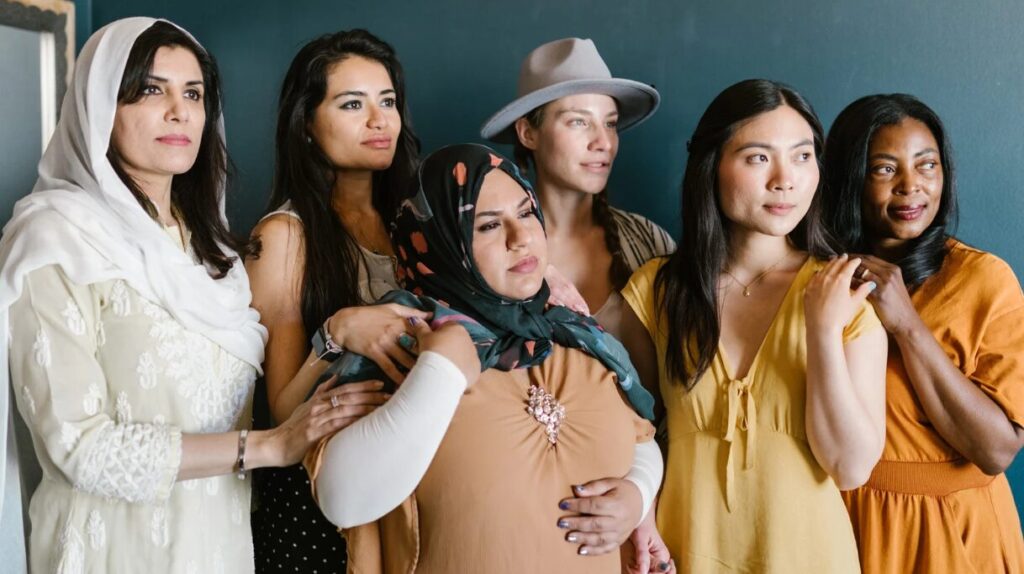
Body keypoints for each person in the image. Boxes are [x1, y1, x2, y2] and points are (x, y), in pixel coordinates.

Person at [0, 18, 364, 572]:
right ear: (102, 106)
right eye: (151, 90)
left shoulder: (213, 253)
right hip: (110, 553)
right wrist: (266, 448)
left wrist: (341, 337)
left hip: (220, 547)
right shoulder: (55, 239)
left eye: (193, 93)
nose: (179, 111)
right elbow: (78, 446)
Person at [305, 143, 664, 573]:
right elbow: (343, 500)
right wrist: (442, 369)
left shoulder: (577, 334)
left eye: (526, 212)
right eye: (489, 226)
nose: (521, 238)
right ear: (442, 245)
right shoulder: (395, 344)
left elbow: (640, 439)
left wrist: (638, 495)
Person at [619, 79, 888, 572]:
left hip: (810, 557)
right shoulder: (658, 290)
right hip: (683, 552)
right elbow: (620, 427)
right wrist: (638, 514)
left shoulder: (843, 295)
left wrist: (823, 332)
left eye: (803, 156)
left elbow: (850, 468)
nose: (785, 179)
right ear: (712, 166)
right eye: (758, 158)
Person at [245, 29, 423, 573]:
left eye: (387, 102)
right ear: (306, 123)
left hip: (406, 491)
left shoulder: (413, 227)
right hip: (315, 510)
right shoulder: (284, 237)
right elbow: (280, 409)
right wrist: (336, 333)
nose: (379, 120)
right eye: (353, 104)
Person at [823, 93, 1024, 573]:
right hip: (841, 521)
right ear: (850, 177)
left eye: (926, 165)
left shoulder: (983, 280)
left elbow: (997, 450)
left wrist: (906, 324)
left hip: (952, 532)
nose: (911, 187)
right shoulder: (819, 281)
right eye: (885, 169)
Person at [481, 37, 674, 335]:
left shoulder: (649, 241)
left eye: (610, 123)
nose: (603, 142)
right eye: (579, 122)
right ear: (528, 133)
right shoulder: (489, 246)